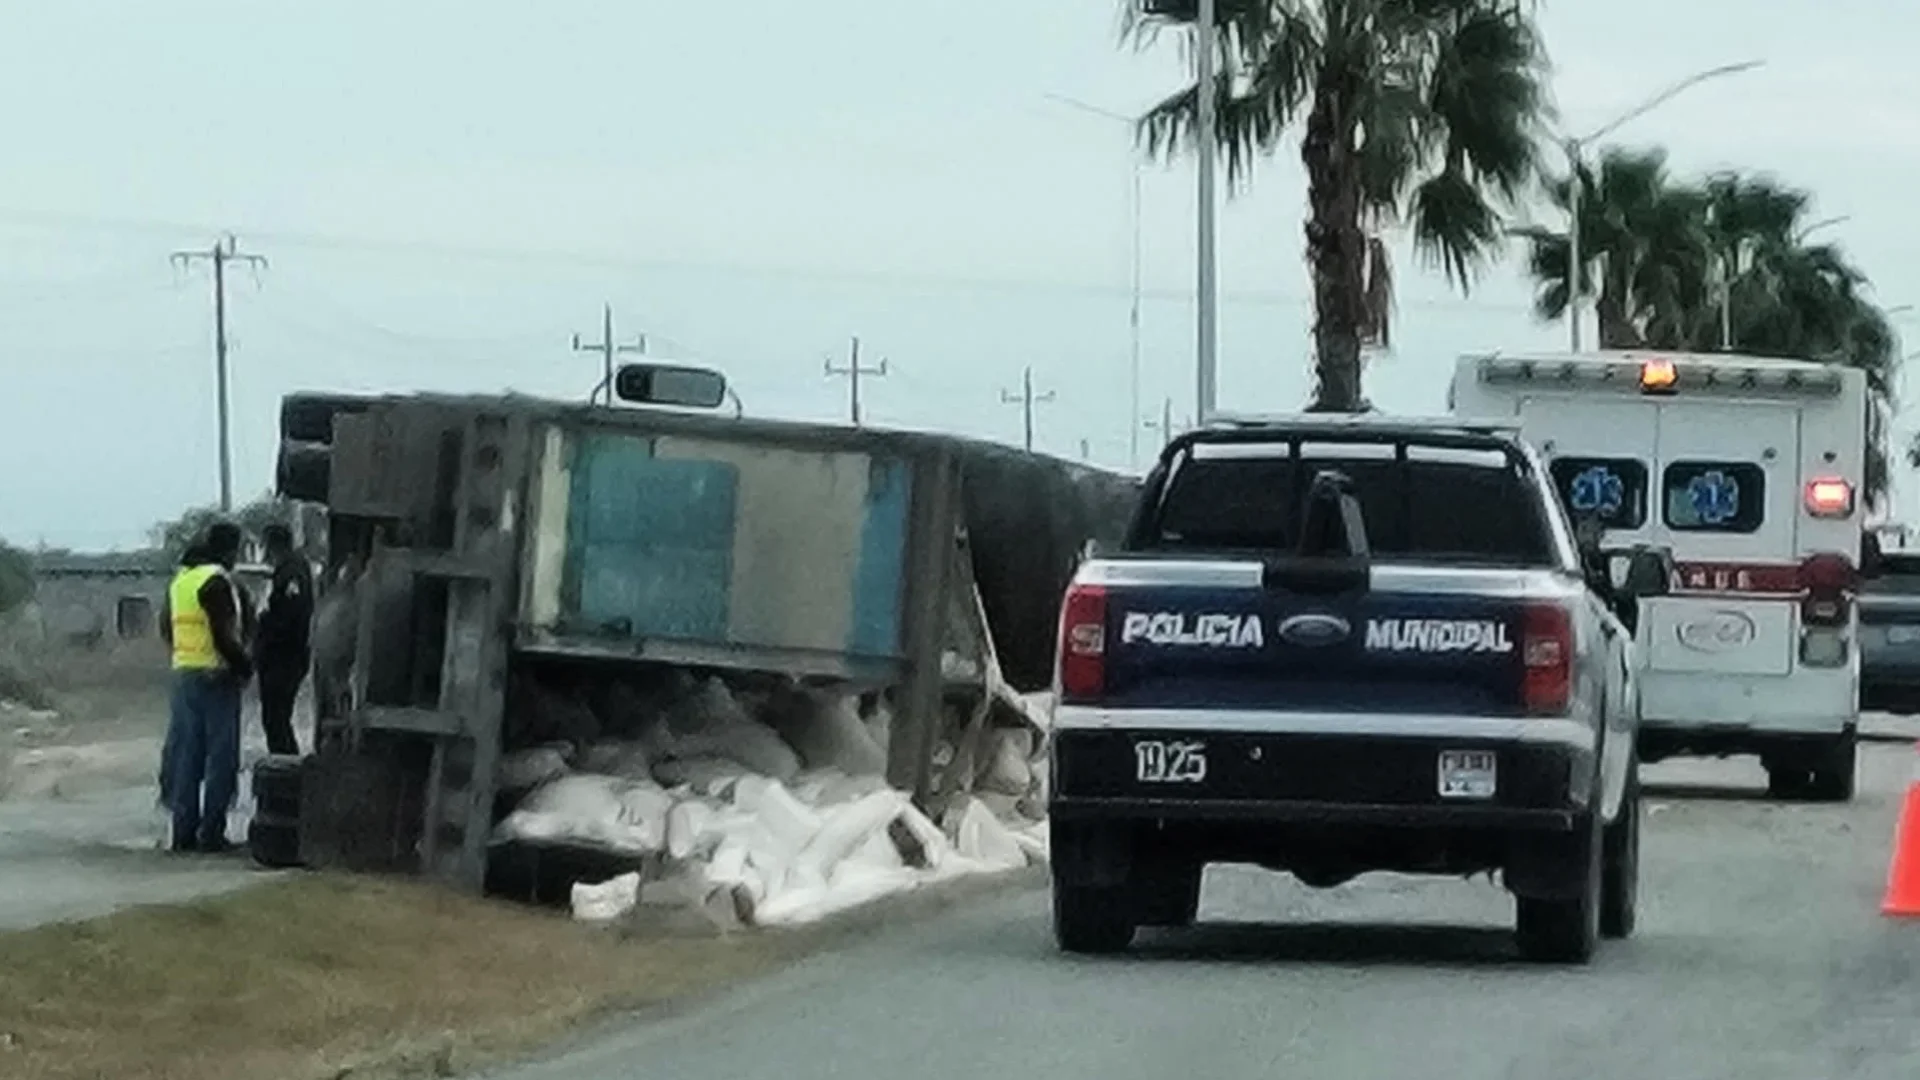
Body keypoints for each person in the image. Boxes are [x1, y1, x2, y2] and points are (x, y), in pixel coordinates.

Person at [158, 522, 252, 853]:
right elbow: (224, 635)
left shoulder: (180, 581)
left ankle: (182, 833)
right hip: (217, 677)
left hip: (184, 675)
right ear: (231, 549)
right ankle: (211, 833)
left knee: (187, 756)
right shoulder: (217, 582)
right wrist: (244, 667)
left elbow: (166, 628)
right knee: (220, 759)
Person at [253, 523, 314, 756]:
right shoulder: (289, 568)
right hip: (282, 656)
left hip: (285, 657)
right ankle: (284, 767)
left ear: (272, 545)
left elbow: (290, 614)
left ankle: (286, 770)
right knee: (274, 719)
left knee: (276, 719)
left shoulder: (292, 571)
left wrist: (265, 626)